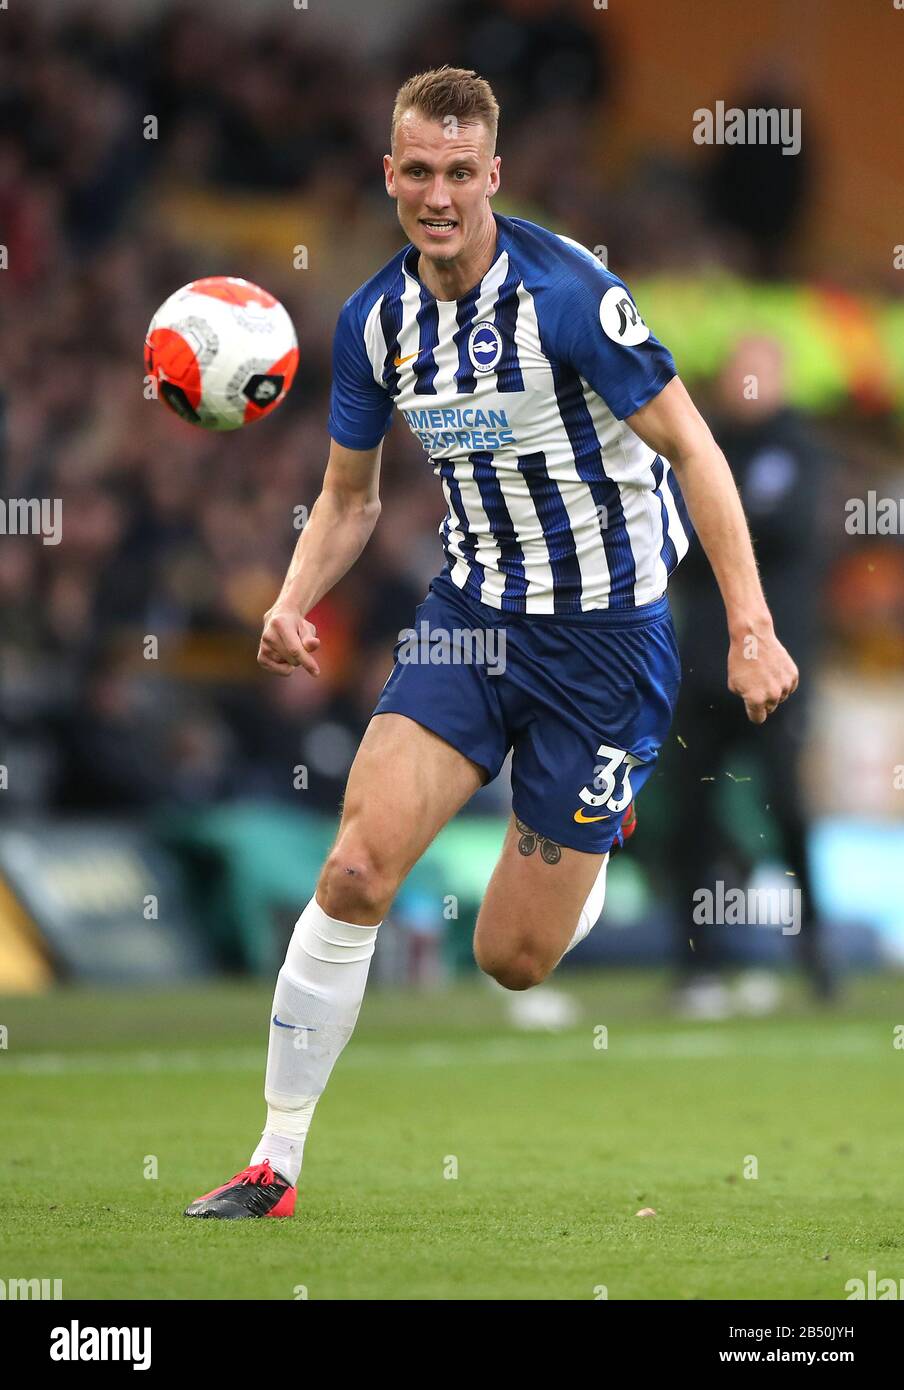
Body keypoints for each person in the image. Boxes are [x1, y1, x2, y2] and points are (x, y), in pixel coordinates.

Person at [184, 67, 797, 1219]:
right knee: (357, 868)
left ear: (493, 178)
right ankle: (276, 1161)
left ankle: (589, 831)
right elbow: (350, 496)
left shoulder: (569, 295)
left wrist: (750, 626)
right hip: (471, 621)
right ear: (390, 175)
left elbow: (698, 451)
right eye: (417, 170)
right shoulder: (375, 321)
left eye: (460, 173)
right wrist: (292, 594)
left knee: (513, 959)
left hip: (610, 641)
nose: (438, 194)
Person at [665, 337, 834, 1013]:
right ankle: (695, 962)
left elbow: (788, 529)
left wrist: (723, 533)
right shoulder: (702, 446)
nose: (744, 383)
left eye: (756, 371)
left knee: (788, 808)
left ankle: (814, 946)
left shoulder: (799, 450)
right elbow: (676, 542)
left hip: (778, 662)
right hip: (705, 663)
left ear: (780, 378)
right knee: (691, 811)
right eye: (737, 370)